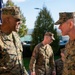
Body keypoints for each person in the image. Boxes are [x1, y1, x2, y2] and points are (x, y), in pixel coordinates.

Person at [0, 6, 28, 75]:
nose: (20, 22)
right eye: (17, 20)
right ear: (7, 20)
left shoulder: (16, 36)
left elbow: (20, 63)